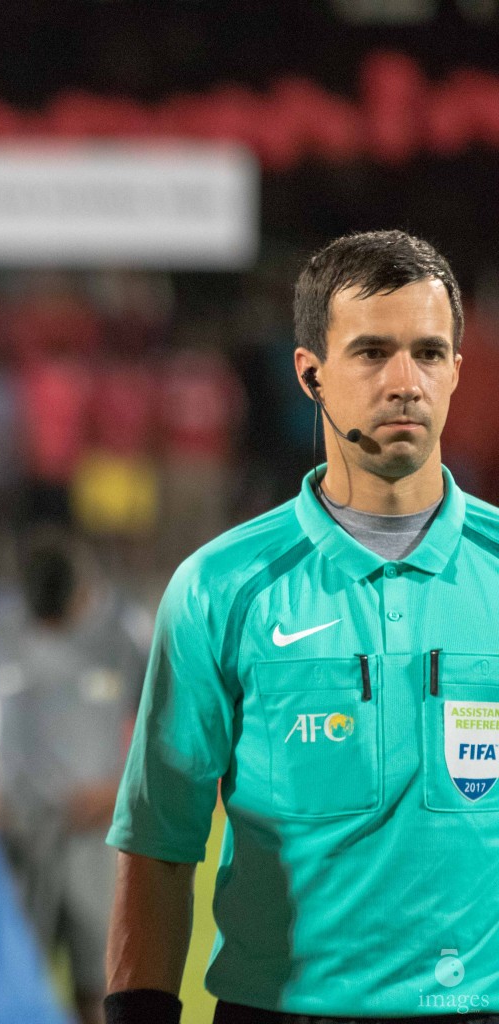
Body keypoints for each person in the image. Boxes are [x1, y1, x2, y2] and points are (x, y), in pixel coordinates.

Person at [106, 230, 499, 1023]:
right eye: (372, 353)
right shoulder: (220, 589)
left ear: (458, 368)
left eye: (429, 353)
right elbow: (159, 846)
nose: (405, 383)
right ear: (309, 373)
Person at [0, 531, 145, 1024]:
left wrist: (117, 790)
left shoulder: (124, 638)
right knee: (18, 982)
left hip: (94, 838)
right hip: (20, 834)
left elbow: (165, 731)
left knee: (100, 986)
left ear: (82, 591)